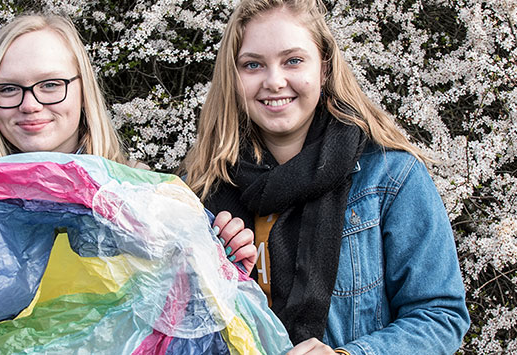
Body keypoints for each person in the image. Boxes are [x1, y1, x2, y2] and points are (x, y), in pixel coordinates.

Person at [0, 13, 255, 339]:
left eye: (50, 85)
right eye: (8, 89)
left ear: (82, 91)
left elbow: (180, 314)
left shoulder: (139, 191)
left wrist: (220, 260)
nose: (29, 104)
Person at [182, 0, 470, 354]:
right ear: (234, 76)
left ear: (324, 68)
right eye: (252, 65)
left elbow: (440, 315)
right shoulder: (198, 190)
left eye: (293, 60)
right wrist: (214, 266)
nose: (274, 81)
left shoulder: (391, 177)